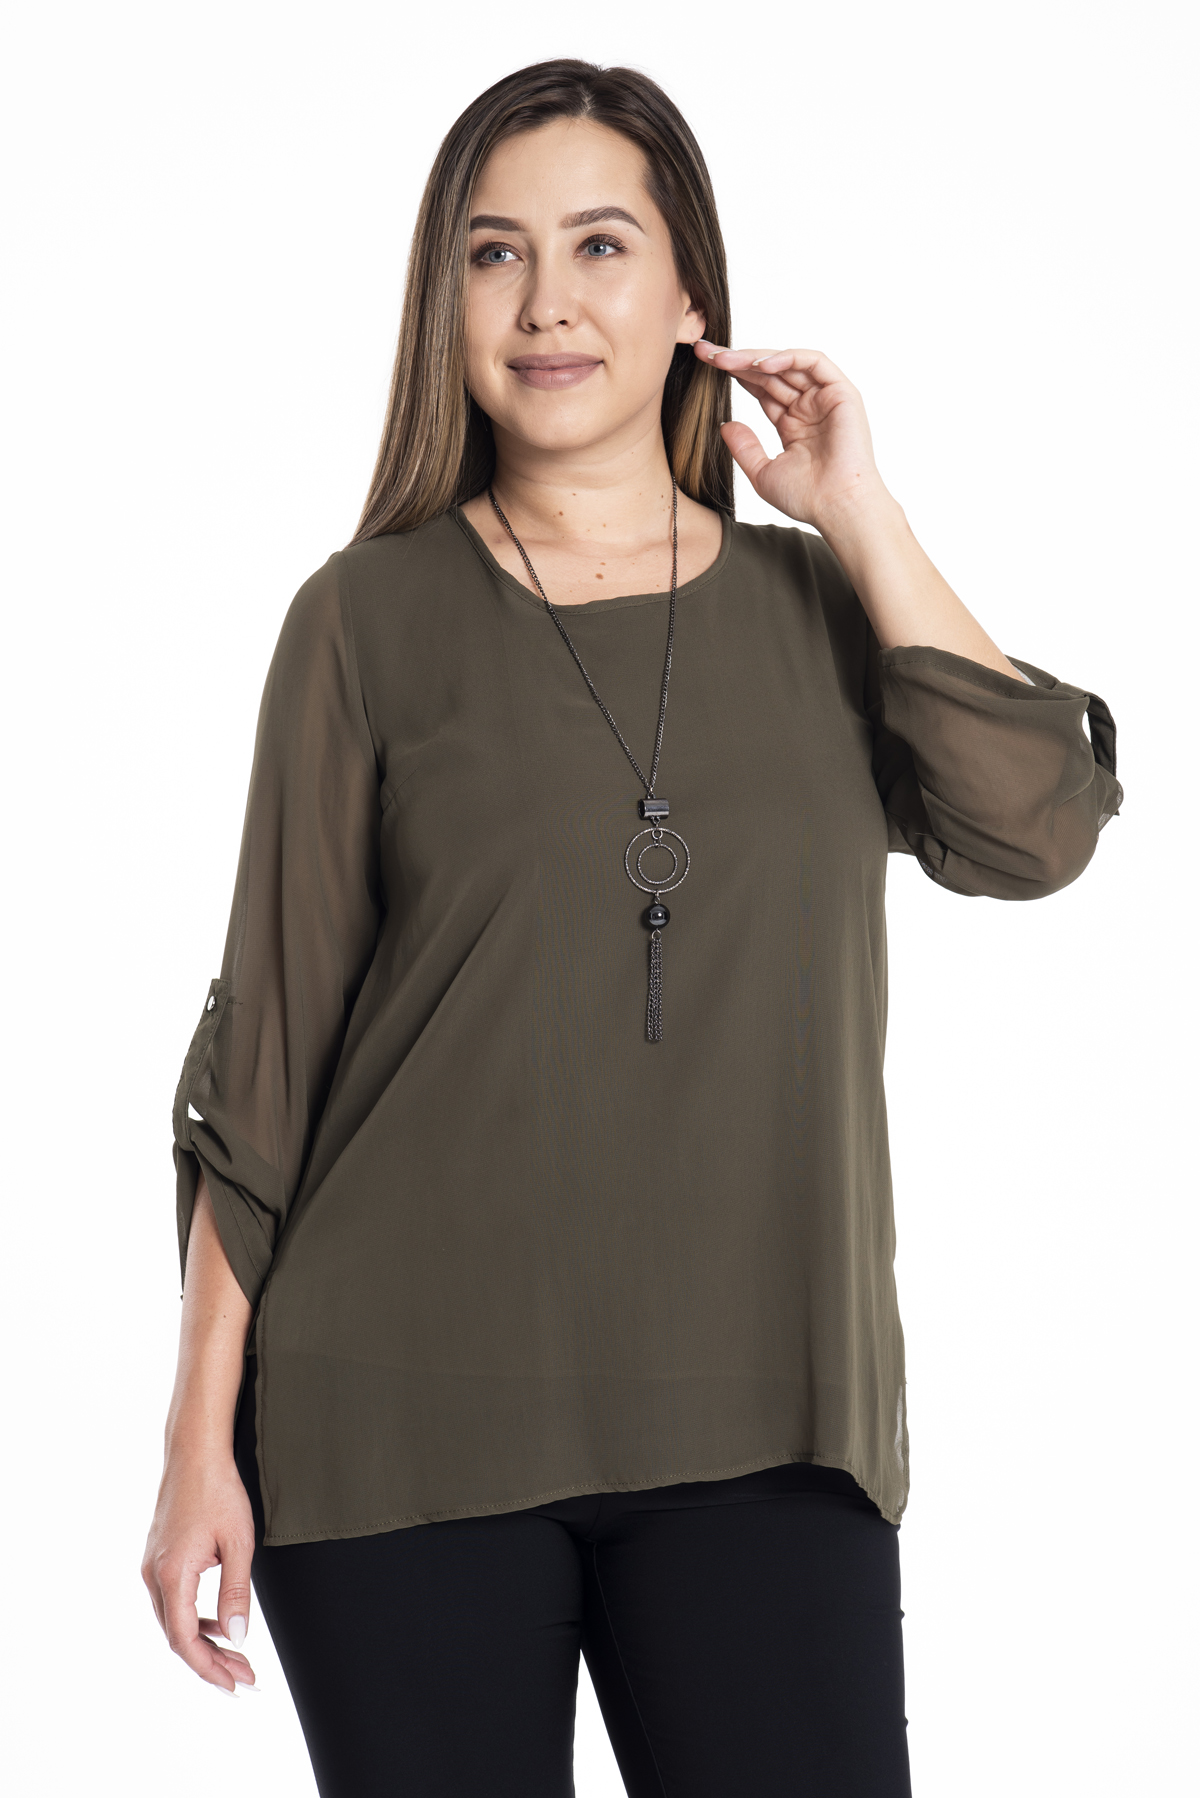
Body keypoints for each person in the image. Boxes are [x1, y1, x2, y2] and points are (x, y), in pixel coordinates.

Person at [142, 58, 1122, 1798]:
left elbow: (1033, 827)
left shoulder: (824, 608)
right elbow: (268, 1052)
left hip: (769, 1420)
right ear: (445, 299)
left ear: (690, 300)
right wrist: (194, 1434)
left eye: (601, 245)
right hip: (398, 1421)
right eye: (494, 253)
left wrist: (860, 512)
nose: (547, 302)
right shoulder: (363, 620)